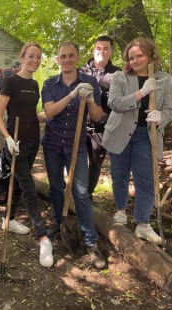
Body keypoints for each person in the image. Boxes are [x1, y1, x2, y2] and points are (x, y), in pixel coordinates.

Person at [101, 37, 172, 244]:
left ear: (151, 55)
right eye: (131, 57)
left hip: (146, 136)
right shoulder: (120, 78)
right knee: (119, 175)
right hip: (119, 133)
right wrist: (141, 93)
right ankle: (120, 210)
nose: (135, 61)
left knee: (145, 180)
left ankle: (142, 223)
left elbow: (169, 110)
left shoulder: (167, 80)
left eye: (140, 56)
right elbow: (114, 103)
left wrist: (161, 117)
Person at [41, 42, 106, 269]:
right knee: (56, 187)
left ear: (78, 57)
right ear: (58, 59)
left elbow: (97, 117)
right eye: (63, 56)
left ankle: (91, 243)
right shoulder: (50, 84)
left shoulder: (90, 83)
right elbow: (49, 112)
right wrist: (72, 95)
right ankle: (60, 223)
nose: (67, 60)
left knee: (80, 192)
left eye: (71, 55)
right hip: (51, 144)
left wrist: (88, 100)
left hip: (76, 145)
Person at [0, 42, 53, 268]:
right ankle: (43, 236)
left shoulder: (35, 84)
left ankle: (7, 220)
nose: (35, 61)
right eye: (31, 56)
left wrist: (44, 116)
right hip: (15, 142)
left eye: (38, 57)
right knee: (29, 188)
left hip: (32, 140)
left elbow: (29, 113)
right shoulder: (11, 81)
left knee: (20, 182)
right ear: (22, 58)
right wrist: (8, 138)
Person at [80, 36, 120, 199]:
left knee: (95, 163)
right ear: (93, 50)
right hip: (79, 126)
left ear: (111, 52)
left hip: (102, 128)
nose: (101, 51)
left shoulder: (118, 75)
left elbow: (118, 104)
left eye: (106, 48)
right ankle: (77, 191)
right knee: (76, 160)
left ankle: (87, 194)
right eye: (98, 48)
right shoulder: (81, 72)